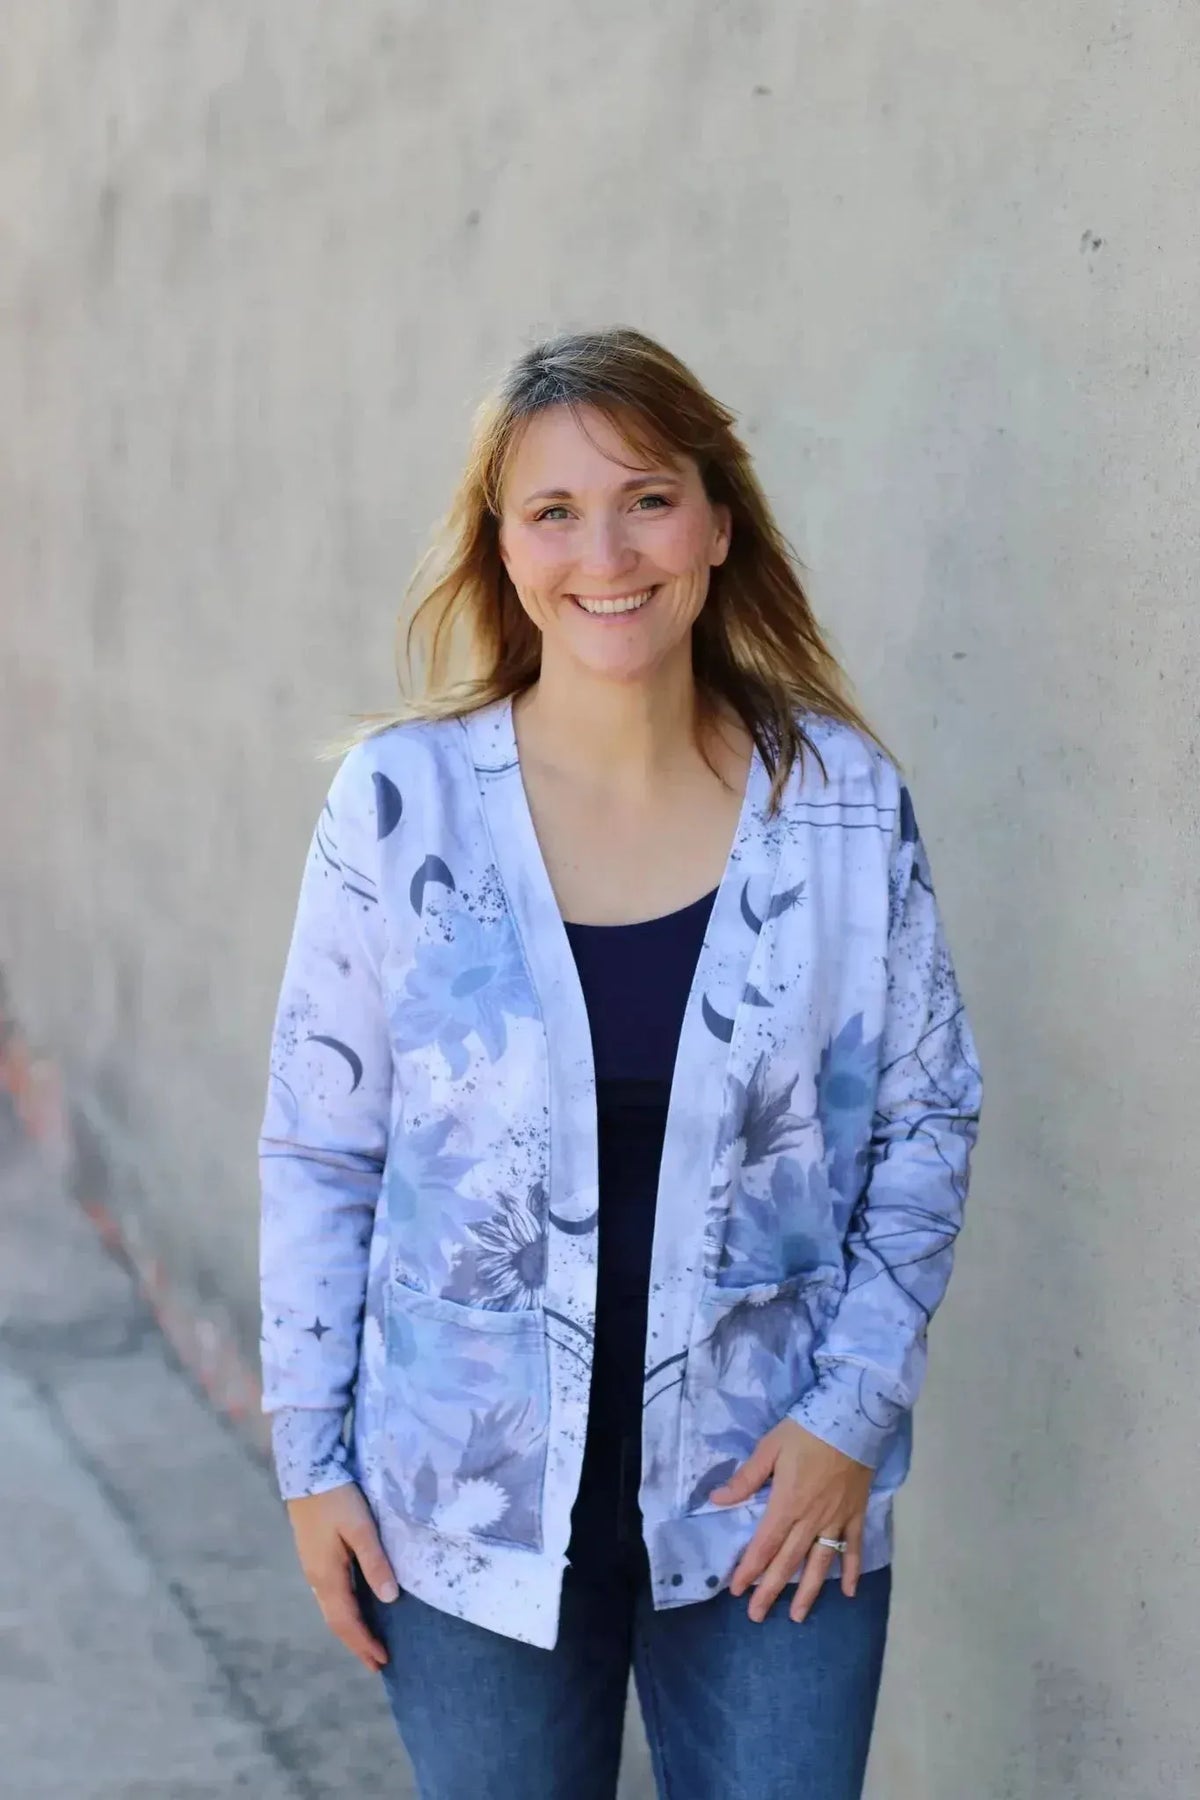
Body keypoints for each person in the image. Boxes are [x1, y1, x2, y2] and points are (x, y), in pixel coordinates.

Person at [259, 326, 982, 1799]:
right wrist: (312, 1462)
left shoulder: (841, 803)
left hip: (770, 1502)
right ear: (503, 549)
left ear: (719, 524)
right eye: (554, 511)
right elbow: (324, 1148)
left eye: (648, 497)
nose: (608, 550)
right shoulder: (400, 809)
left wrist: (849, 1416)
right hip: (461, 1513)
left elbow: (928, 1117)